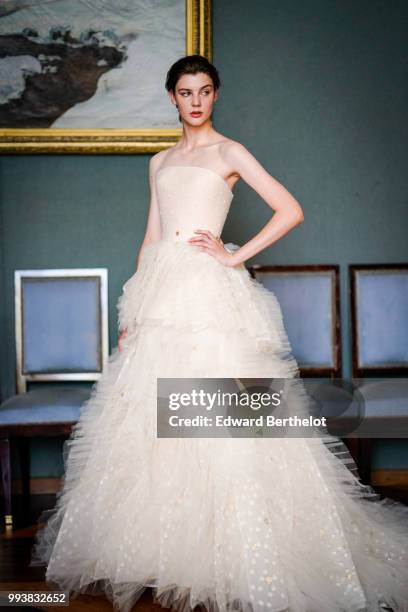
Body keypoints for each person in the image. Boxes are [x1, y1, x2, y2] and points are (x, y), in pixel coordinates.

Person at [31, 55, 408, 612]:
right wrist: (131, 311)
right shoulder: (158, 161)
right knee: (150, 428)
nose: (196, 101)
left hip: (211, 297)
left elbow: (290, 210)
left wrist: (235, 259)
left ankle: (240, 554)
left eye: (205, 91)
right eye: (186, 92)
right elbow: (151, 237)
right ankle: (173, 554)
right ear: (172, 99)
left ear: (215, 95)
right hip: (160, 298)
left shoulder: (230, 152)